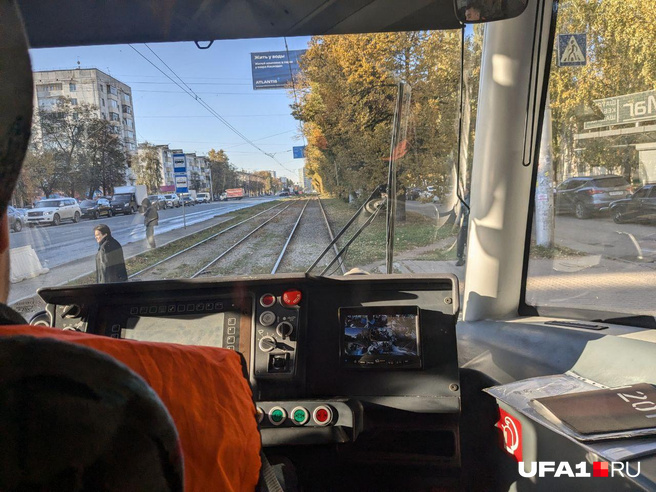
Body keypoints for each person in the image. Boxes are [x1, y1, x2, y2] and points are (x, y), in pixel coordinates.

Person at [455, 188, 470, 267]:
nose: (463, 192)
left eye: (465, 190)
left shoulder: (469, 199)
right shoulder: (461, 199)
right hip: (463, 224)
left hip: (467, 223)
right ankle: (460, 258)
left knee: (463, 241)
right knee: (460, 241)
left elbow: (465, 211)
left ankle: (462, 258)